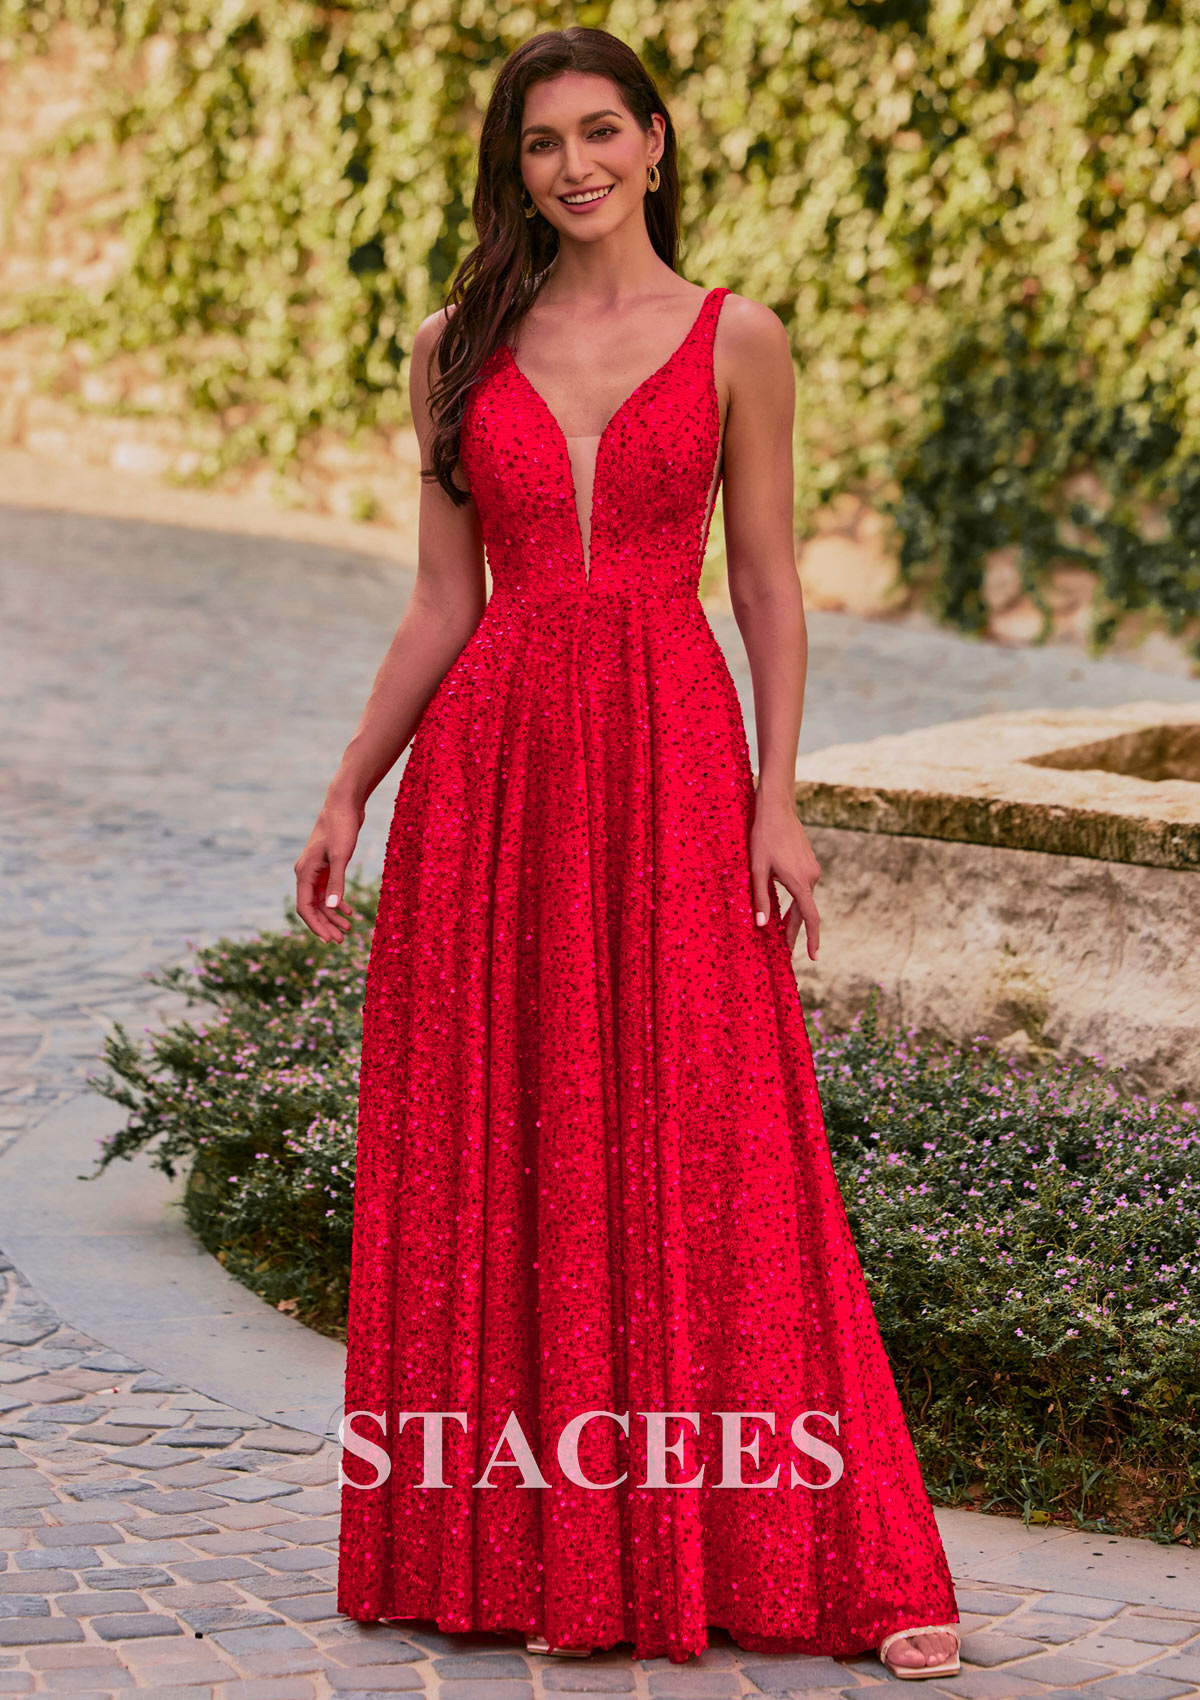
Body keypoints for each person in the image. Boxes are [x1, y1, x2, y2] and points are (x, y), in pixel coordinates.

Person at [294, 24, 961, 1681]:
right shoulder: (454, 346)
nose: (576, 165)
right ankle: (520, 1546)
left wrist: (779, 799)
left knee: (717, 1135)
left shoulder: (741, 338)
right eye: (543, 144)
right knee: (503, 1141)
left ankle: (814, 1550)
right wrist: (350, 788)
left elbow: (770, 585)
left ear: (656, 142)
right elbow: (443, 601)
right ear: (513, 170)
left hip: (671, 759)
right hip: (493, 781)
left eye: (602, 131)